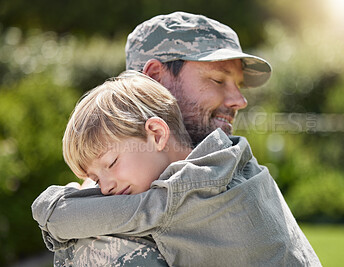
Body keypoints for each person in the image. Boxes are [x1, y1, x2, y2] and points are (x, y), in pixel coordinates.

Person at [32, 11, 320, 266]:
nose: (240, 100)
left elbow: (73, 216)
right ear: (156, 78)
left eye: (237, 84)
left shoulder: (189, 188)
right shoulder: (233, 160)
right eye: (218, 79)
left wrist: (73, 199)